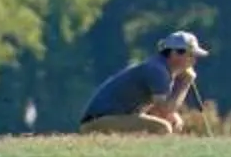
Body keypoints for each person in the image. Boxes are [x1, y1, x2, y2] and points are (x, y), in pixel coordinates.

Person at [79, 31, 208, 135]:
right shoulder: (158, 71)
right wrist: (185, 82)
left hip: (107, 118)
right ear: (174, 53)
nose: (193, 61)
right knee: (162, 128)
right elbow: (164, 109)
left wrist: (172, 114)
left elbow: (160, 109)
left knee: (166, 123)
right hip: (98, 121)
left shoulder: (160, 68)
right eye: (191, 55)